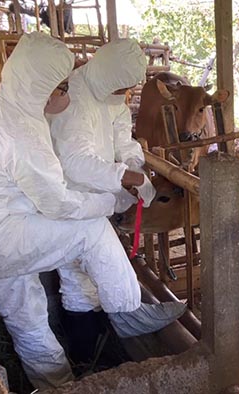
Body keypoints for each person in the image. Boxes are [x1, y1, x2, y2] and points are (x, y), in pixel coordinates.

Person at [0, 32, 184, 390]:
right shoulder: (23, 132)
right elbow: (58, 201)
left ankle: (59, 383)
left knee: (28, 317)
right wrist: (111, 200)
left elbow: (116, 140)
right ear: (40, 88)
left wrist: (128, 167)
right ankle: (128, 312)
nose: (66, 95)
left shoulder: (15, 106)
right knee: (92, 231)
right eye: (61, 87)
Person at [47, 38, 160, 364]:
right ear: (109, 74)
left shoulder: (111, 94)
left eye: (129, 88)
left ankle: (97, 345)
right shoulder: (74, 100)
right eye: (122, 86)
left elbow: (122, 137)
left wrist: (134, 164)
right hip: (69, 198)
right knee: (75, 276)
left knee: (93, 273)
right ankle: (85, 354)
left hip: (99, 199)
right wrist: (126, 177)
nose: (125, 94)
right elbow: (75, 162)